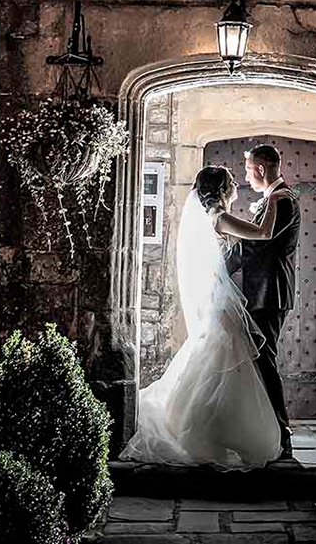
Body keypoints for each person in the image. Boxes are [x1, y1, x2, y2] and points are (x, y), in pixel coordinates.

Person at [118, 164, 289, 467]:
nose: (237, 185)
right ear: (222, 189)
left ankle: (215, 427)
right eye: (231, 181)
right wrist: (273, 200)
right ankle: (209, 429)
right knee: (222, 360)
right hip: (220, 303)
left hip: (216, 299)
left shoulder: (211, 216)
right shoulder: (219, 217)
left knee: (216, 359)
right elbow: (263, 233)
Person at [230, 143, 299, 462]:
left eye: (248, 170)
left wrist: (220, 266)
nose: (246, 177)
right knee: (259, 359)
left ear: (261, 168)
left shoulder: (282, 200)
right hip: (262, 291)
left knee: (265, 360)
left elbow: (258, 245)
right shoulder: (277, 198)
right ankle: (266, 431)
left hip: (269, 292)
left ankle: (282, 435)